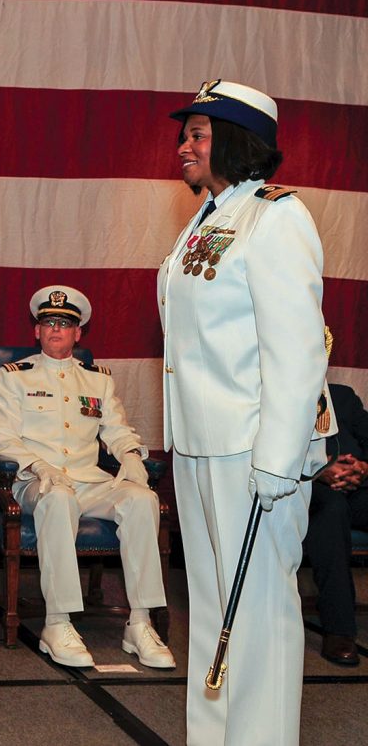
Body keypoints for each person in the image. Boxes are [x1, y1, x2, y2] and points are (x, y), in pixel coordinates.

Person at [157, 80, 333, 746]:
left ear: (235, 141)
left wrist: (277, 460)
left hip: (254, 450)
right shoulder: (209, 217)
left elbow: (295, 351)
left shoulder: (276, 218)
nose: (184, 146)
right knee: (212, 610)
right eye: (186, 134)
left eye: (197, 135)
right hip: (204, 442)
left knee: (256, 612)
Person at [0, 285, 175, 669]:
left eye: (65, 324)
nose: (56, 330)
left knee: (143, 500)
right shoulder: (14, 377)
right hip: (37, 481)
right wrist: (39, 466)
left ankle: (139, 622)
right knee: (58, 498)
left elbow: (117, 430)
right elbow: (0, 437)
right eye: (48, 323)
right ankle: (57, 622)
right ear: (36, 331)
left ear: (78, 333)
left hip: (89, 481)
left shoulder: (98, 381)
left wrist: (132, 455)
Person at [304, 382, 368, 666]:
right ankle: (339, 630)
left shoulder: (343, 396)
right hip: (308, 490)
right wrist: (319, 470)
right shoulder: (278, 395)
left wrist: (363, 469)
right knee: (331, 509)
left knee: (342, 504)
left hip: (358, 487)